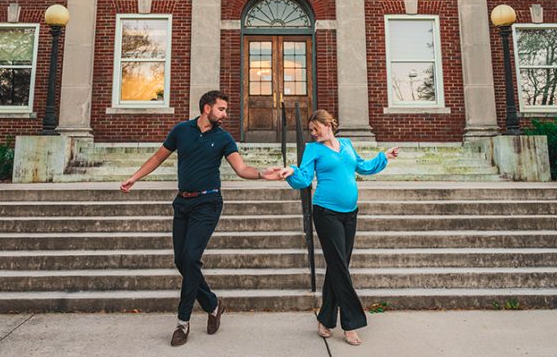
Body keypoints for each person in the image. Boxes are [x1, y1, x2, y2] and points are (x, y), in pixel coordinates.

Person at [120, 90, 292, 347]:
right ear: (207, 108)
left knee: (190, 257)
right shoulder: (181, 130)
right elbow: (158, 157)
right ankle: (213, 305)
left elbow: (241, 168)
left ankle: (183, 322)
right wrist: (135, 177)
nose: (225, 114)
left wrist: (261, 174)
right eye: (221, 109)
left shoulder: (223, 138)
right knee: (182, 260)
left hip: (208, 203)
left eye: (225, 110)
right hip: (182, 203)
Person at [285, 109, 399, 346]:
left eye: (316, 129)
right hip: (326, 213)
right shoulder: (313, 149)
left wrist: (384, 157)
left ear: (329, 125)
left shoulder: (346, 144)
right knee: (338, 265)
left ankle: (325, 318)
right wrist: (291, 173)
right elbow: (305, 178)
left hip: (350, 213)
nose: (313, 133)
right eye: (311, 130)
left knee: (339, 266)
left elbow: (363, 167)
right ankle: (351, 323)